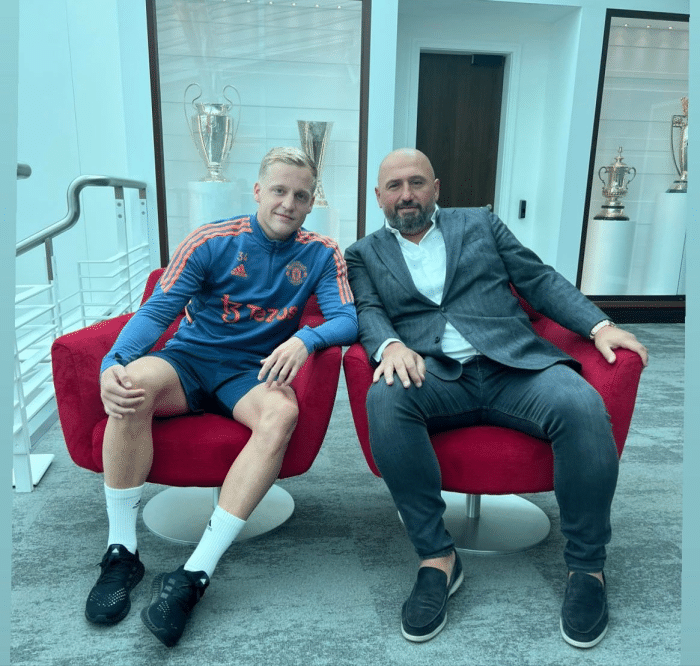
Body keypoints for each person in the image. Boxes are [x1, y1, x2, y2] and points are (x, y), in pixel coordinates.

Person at [344, 148, 648, 648]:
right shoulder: (362, 254)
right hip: (436, 374)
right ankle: (437, 558)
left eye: (417, 182)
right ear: (378, 196)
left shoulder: (480, 224)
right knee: (386, 399)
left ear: (436, 188)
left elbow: (538, 279)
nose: (406, 194)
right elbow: (368, 310)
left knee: (582, 406)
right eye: (394, 186)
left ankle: (587, 568)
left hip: (515, 366)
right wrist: (390, 345)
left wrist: (599, 325)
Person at [85, 147, 358, 647]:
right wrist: (114, 362)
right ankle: (121, 552)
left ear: (310, 202)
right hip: (189, 360)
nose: (288, 204)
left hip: (250, 373)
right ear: (258, 191)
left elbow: (346, 319)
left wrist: (305, 339)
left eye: (301, 196)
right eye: (279, 190)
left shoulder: (322, 252)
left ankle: (194, 573)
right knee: (132, 385)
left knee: (281, 413)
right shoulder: (211, 240)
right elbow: (159, 310)